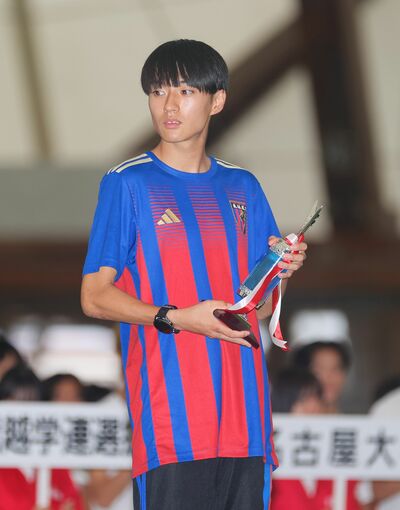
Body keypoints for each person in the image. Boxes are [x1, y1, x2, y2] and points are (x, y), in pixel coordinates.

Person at [81, 39, 307, 510]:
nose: (168, 105)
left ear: (216, 100)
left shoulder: (243, 186)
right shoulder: (127, 183)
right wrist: (178, 317)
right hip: (173, 422)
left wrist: (282, 270)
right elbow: (95, 296)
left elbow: (260, 307)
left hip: (246, 420)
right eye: (157, 91)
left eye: (184, 91)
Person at [270, 368, 360, 510]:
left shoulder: (338, 452)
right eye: (302, 400)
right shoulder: (267, 459)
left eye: (316, 398)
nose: (312, 407)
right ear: (283, 403)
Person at [0, 364, 84, 510]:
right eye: (13, 405)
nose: (21, 415)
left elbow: (75, 504)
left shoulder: (54, 461)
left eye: (29, 404)